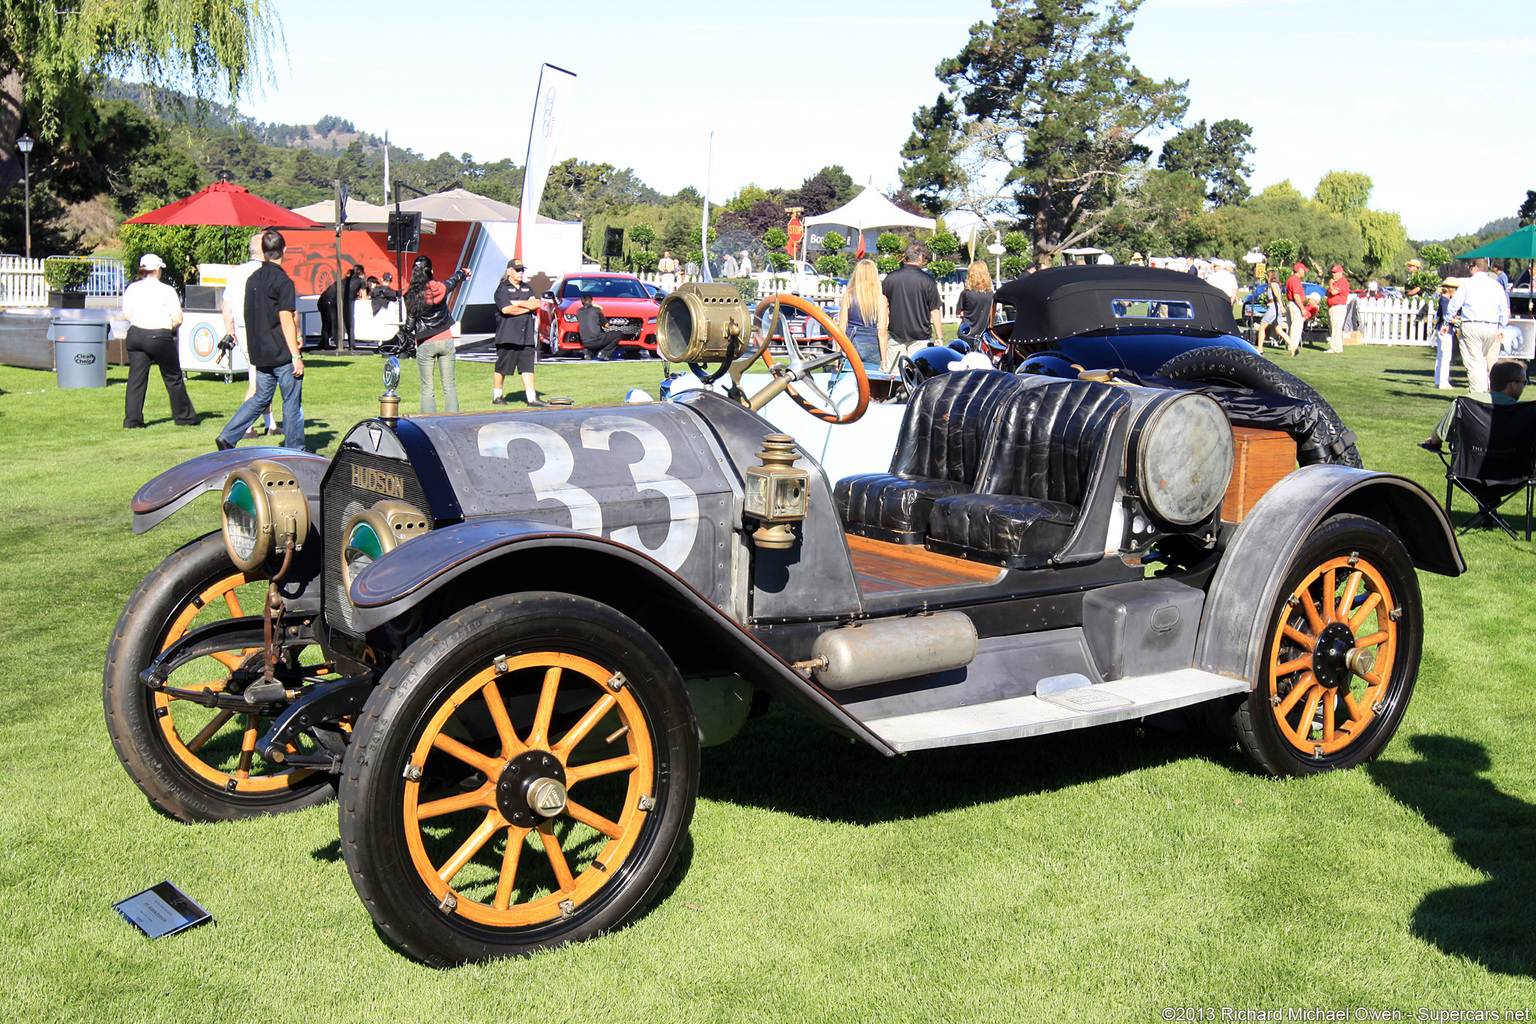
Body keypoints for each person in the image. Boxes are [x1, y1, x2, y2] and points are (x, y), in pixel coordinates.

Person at [216, 229, 305, 451]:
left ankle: (228, 435)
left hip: (259, 350)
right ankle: (296, 449)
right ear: (284, 250)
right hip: (280, 351)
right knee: (291, 401)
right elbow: (286, 319)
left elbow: (247, 312)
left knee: (260, 397)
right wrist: (296, 355)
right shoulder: (283, 280)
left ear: (263, 252)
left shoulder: (252, 278)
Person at [121, 253, 199, 429]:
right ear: (157, 270)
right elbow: (178, 319)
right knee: (173, 377)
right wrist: (166, 326)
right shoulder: (167, 290)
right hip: (159, 335)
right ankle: (184, 417)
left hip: (135, 334)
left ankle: (132, 420)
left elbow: (126, 314)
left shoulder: (132, 288)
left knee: (136, 379)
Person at [220, 232, 276, 438]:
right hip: (261, 332)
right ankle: (245, 427)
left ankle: (270, 425)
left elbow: (226, 305)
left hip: (242, 330)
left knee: (262, 378)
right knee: (257, 382)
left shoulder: (236, 272)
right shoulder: (269, 271)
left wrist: (230, 331)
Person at [405, 254, 471, 413]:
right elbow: (452, 281)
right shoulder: (439, 287)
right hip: (446, 338)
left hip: (425, 342)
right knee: (449, 385)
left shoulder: (412, 294)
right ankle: (453, 419)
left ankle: (428, 422)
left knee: (427, 388)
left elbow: (410, 324)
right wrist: (462, 273)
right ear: (431, 271)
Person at [1422, 359, 1527, 449]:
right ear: (1513, 385)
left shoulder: (1464, 403)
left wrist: (1433, 442)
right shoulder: (1525, 410)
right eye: (1524, 383)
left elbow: (1439, 435)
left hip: (1466, 471)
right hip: (1512, 471)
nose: (1523, 386)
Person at [1443, 256, 1512, 393]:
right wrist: (1501, 328)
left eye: (1470, 267)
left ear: (1475, 267)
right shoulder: (1497, 286)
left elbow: (1454, 304)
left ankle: (1478, 394)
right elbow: (1504, 311)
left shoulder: (1468, 284)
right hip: (1491, 326)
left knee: (1474, 361)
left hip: (1472, 325)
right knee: (1484, 360)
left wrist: (1446, 321)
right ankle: (1489, 390)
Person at [489, 259, 546, 406]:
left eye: (522, 270)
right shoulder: (502, 289)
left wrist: (518, 303)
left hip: (526, 335)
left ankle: (532, 398)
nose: (520, 273)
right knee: (502, 368)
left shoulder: (527, 288)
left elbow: (537, 303)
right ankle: (497, 397)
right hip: (508, 335)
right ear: (509, 271)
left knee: (527, 367)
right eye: (517, 270)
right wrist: (528, 306)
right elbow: (506, 309)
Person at [881, 242, 943, 371]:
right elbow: (935, 311)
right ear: (920, 257)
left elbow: (883, 305)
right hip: (920, 335)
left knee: (895, 375)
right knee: (916, 376)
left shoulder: (891, 278)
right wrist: (939, 337)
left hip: (896, 334)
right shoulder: (927, 281)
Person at [835, 258, 890, 371]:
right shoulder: (881, 299)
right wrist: (884, 361)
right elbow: (882, 332)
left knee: (849, 381)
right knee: (869, 383)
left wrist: (837, 353)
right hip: (872, 348)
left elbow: (841, 328)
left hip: (850, 347)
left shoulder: (848, 296)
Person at [955, 260, 996, 342]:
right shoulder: (991, 295)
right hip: (982, 335)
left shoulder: (966, 293)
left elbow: (958, 313)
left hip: (966, 333)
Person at [575, 293, 619, 361]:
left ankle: (590, 352)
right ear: (592, 301)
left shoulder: (578, 311)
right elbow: (606, 325)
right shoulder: (596, 310)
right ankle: (604, 353)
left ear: (582, 302)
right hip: (597, 340)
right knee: (618, 334)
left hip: (585, 342)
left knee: (597, 337)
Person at [1432, 280, 1458, 389]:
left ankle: (1438, 380)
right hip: (1445, 331)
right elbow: (1447, 318)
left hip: (1440, 329)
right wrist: (1459, 321)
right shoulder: (1446, 301)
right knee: (1446, 357)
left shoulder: (1442, 300)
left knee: (1440, 356)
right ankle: (1443, 382)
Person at [1282, 262, 1311, 357]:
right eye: (1304, 271)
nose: (1304, 273)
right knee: (1296, 327)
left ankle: (1289, 346)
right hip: (1295, 304)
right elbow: (1296, 295)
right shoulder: (1295, 280)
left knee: (1291, 327)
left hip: (1291, 304)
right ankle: (1293, 347)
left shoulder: (1291, 279)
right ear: (1300, 270)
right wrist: (1302, 308)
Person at [1254, 269, 1284, 349]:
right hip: (1275, 307)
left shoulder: (1273, 284)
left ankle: (1260, 347)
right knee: (1278, 329)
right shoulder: (1276, 285)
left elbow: (1277, 296)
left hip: (1273, 307)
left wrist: (1281, 306)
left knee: (1262, 326)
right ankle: (1292, 346)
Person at [1324, 264, 1351, 353]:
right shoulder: (1336, 282)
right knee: (1333, 328)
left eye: (1335, 273)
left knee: (1336, 328)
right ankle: (1337, 347)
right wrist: (1331, 287)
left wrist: (1331, 284)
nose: (1333, 275)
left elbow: (1334, 292)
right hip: (1333, 307)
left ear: (1340, 273)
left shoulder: (1343, 282)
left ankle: (1335, 347)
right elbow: (1327, 293)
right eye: (1332, 273)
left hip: (1338, 307)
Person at [342, 264, 366, 347]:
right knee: (350, 324)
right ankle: (351, 345)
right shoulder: (361, 281)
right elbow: (364, 297)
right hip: (347, 303)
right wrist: (357, 298)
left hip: (339, 300)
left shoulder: (347, 280)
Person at [316, 276, 337, 347]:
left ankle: (324, 342)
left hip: (324, 301)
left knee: (328, 323)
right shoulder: (343, 284)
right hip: (327, 302)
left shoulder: (339, 284)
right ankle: (325, 343)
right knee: (328, 323)